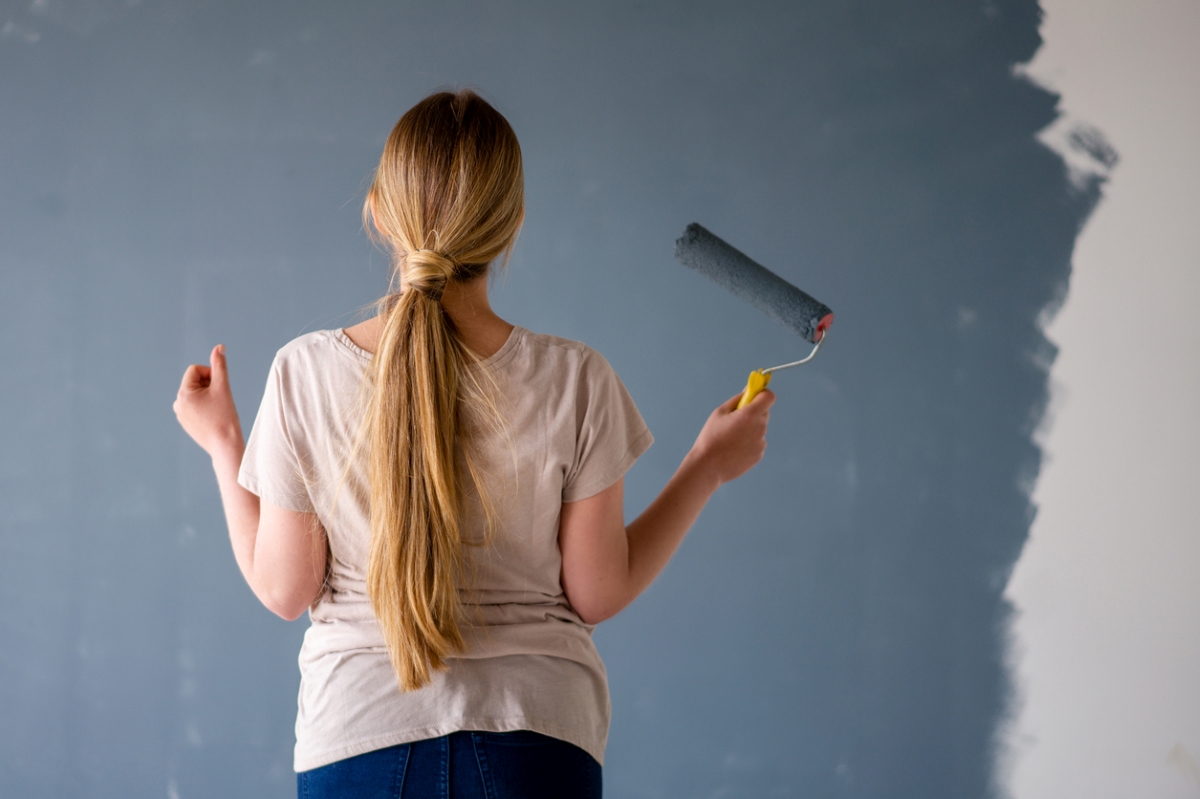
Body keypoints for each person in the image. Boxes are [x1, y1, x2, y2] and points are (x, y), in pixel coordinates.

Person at [173, 89, 774, 799]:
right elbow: (598, 589)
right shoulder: (576, 378)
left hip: (357, 737)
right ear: (512, 223)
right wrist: (707, 465)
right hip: (538, 743)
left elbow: (285, 587)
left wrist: (223, 444)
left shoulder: (305, 371)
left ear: (376, 210)